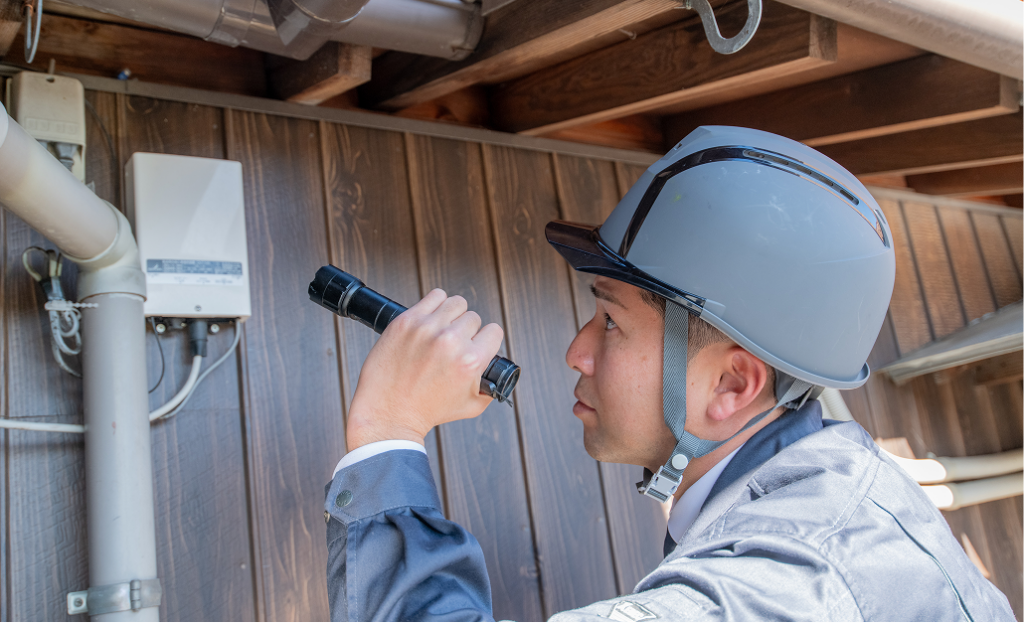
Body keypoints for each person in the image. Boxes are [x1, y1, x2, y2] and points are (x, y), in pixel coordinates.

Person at [324, 126, 1014, 621]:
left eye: (612, 322)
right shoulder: (839, 487)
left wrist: (387, 430)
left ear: (733, 386)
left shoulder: (785, 593)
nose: (577, 352)